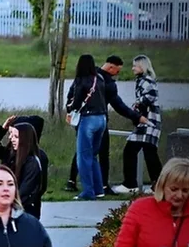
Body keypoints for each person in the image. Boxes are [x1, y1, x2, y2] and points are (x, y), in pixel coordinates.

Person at [66, 55, 146, 194]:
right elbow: (119, 105)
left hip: (83, 118)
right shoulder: (107, 83)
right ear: (111, 67)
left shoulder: (85, 76)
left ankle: (73, 181)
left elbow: (72, 96)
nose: (117, 74)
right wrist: (136, 117)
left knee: (82, 152)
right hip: (101, 119)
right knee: (100, 154)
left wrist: (71, 111)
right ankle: (102, 186)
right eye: (117, 71)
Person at [112, 55, 163, 195]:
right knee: (148, 152)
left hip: (149, 121)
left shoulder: (146, 80)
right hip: (149, 121)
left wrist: (138, 105)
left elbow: (150, 95)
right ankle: (157, 185)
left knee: (134, 150)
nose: (133, 68)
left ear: (142, 66)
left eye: (135, 65)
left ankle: (131, 184)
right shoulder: (144, 80)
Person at [65, 54, 110, 201]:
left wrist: (69, 108)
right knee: (93, 155)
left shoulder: (81, 80)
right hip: (102, 118)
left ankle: (88, 191)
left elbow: (76, 102)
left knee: (83, 157)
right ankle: (99, 189)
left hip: (88, 119)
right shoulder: (100, 79)